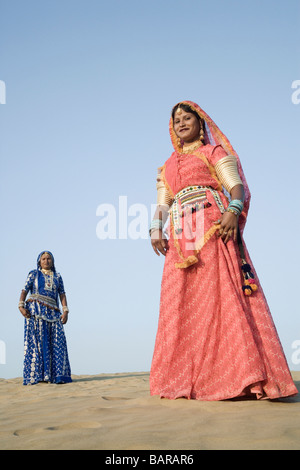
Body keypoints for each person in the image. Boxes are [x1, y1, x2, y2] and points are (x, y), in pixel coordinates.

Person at [149, 100, 298, 400]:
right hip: (180, 241)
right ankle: (188, 381)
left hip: (213, 230)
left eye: (186, 117)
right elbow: (163, 204)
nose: (181, 123)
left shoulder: (213, 153)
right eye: (176, 119)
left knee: (224, 299)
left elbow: (236, 186)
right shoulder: (166, 167)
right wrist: (154, 229)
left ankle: (244, 378)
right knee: (180, 306)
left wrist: (234, 209)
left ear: (200, 123)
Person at [18, 251, 72, 385]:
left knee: (57, 342)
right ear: (39, 262)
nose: (46, 261)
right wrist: (21, 306)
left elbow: (62, 294)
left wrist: (65, 311)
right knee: (39, 341)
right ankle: (39, 376)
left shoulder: (58, 277)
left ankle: (58, 377)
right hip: (36, 311)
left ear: (52, 261)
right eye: (44, 259)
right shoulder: (34, 274)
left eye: (49, 259)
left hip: (54, 312)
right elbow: (24, 290)